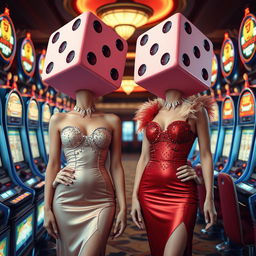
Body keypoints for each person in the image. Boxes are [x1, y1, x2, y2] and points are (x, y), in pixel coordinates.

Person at [131, 89, 217, 256]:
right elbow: (144, 158)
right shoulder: (151, 111)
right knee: (158, 250)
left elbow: (206, 155)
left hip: (181, 192)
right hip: (149, 193)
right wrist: (134, 196)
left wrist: (209, 197)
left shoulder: (197, 110)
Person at [43, 89, 127, 256]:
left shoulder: (112, 120)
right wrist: (47, 208)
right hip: (65, 200)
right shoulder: (58, 119)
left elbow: (116, 166)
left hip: (102, 200)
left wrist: (124, 207)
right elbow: (52, 163)